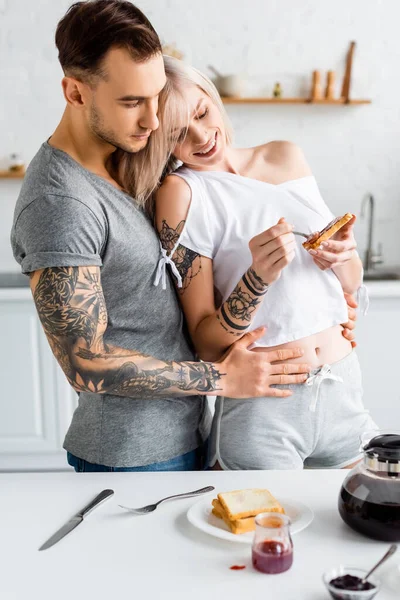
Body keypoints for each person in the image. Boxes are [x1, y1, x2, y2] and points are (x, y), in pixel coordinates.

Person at [10, 0, 318, 472]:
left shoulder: (132, 162)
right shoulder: (60, 202)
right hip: (131, 456)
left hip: (189, 433)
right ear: (75, 92)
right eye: (132, 102)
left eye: (156, 97)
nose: (153, 121)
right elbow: (84, 363)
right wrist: (219, 377)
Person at [147, 56, 375, 470]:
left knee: (365, 522)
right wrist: (257, 277)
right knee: (263, 530)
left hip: (343, 388)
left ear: (212, 97)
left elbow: (350, 285)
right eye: (179, 133)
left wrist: (344, 257)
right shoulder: (180, 193)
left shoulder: (286, 155)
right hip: (266, 404)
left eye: (202, 113)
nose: (201, 136)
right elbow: (206, 341)